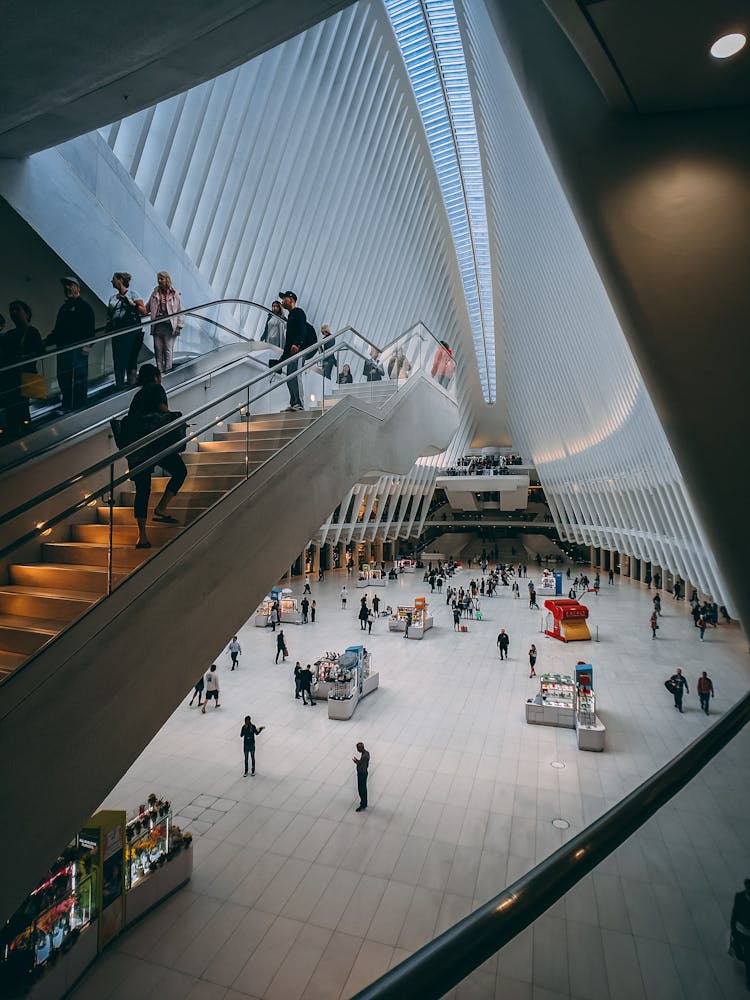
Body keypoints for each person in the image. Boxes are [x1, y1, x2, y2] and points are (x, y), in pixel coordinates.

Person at [125, 364, 187, 548]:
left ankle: (142, 536)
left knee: (143, 489)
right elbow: (164, 411)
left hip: (137, 447)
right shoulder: (156, 388)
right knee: (180, 471)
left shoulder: (138, 395)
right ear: (155, 376)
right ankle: (161, 507)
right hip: (156, 444)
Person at [46, 276, 95, 411]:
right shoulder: (64, 308)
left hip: (78, 351)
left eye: (70, 285)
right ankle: (67, 404)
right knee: (63, 377)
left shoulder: (84, 307)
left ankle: (79, 406)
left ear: (77, 288)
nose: (67, 288)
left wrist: (87, 345)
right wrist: (44, 343)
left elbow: (91, 330)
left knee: (78, 378)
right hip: (63, 350)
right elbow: (57, 331)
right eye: (66, 286)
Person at [1, 300, 44, 440]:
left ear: (26, 313)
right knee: (16, 407)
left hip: (23, 377)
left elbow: (40, 352)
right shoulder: (10, 335)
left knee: (20, 406)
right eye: (12, 310)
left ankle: (20, 432)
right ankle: (19, 432)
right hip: (15, 378)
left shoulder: (31, 332)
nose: (14, 313)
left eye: (17, 310)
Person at [106, 272, 146, 387]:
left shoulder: (133, 294)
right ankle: (119, 385)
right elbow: (109, 316)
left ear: (120, 280)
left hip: (132, 332)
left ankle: (131, 383)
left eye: (113, 279)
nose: (111, 281)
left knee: (131, 359)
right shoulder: (112, 298)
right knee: (118, 358)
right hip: (118, 333)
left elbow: (143, 311)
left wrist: (129, 302)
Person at [146, 272, 183, 373]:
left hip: (169, 326)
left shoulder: (174, 294)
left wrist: (179, 326)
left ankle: (168, 372)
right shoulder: (155, 293)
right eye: (158, 279)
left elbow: (180, 311)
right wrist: (136, 307)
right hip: (157, 326)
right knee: (158, 350)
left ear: (167, 279)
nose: (159, 281)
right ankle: (159, 373)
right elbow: (148, 307)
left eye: (161, 279)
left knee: (168, 350)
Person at [278, 290, 307, 411]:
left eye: (284, 298)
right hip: (291, 353)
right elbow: (288, 340)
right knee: (289, 376)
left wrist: (297, 343)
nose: (282, 301)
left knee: (296, 375)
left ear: (292, 299)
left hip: (299, 350)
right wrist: (282, 360)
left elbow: (302, 329)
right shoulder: (290, 317)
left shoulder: (298, 312)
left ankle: (300, 403)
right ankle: (294, 402)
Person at [730, 879, 750, 991]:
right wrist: (733, 930)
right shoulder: (740, 897)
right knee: (748, 957)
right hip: (744, 933)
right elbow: (735, 914)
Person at [353, 742, 370, 811]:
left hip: (362, 774)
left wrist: (357, 762)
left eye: (358, 748)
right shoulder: (366, 753)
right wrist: (358, 761)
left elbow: (361, 765)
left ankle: (363, 804)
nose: (357, 750)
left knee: (361, 789)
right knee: (363, 788)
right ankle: (364, 802)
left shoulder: (364, 756)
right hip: (364, 773)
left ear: (361, 748)